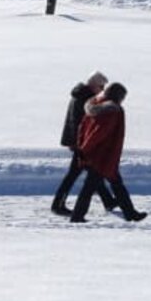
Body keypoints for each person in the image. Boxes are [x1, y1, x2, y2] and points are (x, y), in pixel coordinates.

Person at [69, 82, 147, 223]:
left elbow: (83, 128)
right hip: (104, 156)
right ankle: (77, 216)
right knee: (91, 186)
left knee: (116, 183)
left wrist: (82, 147)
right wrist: (84, 149)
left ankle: (130, 213)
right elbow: (99, 133)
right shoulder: (112, 110)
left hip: (97, 154)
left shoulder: (94, 105)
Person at [50, 72, 117, 216]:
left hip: (78, 142)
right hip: (81, 143)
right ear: (94, 85)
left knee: (92, 171)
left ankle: (108, 201)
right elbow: (81, 123)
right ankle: (57, 205)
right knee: (75, 174)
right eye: (101, 86)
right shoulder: (85, 98)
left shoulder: (80, 95)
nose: (102, 89)